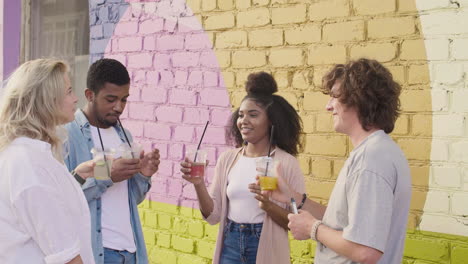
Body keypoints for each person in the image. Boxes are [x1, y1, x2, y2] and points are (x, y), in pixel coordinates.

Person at [268, 58, 411, 264]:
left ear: (359, 99)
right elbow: (346, 224)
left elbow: (366, 251)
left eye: (334, 97)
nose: (328, 107)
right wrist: (295, 198)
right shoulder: (375, 152)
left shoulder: (370, 160)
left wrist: (312, 228)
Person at [180, 72, 306, 264]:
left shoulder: (286, 163)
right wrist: (198, 184)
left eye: (253, 115)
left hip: (264, 247)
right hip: (230, 244)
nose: (243, 121)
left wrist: (268, 205)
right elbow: (213, 216)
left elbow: (298, 222)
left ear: (271, 121)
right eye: (240, 115)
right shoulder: (228, 159)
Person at [64, 58, 160, 264]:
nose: (118, 107)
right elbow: (62, 199)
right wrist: (106, 176)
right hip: (97, 252)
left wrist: (144, 174)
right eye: (110, 99)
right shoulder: (68, 135)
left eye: (124, 99)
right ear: (90, 95)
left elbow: (131, 198)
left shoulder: (125, 136)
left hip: (131, 250)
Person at [0, 58, 95, 263]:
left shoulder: (26, 155)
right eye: (69, 91)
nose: (76, 99)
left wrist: (76, 177)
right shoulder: (29, 164)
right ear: (47, 100)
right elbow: (66, 256)